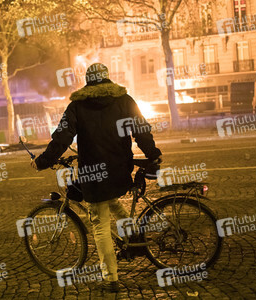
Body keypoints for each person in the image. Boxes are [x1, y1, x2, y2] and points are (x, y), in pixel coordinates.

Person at [31, 63, 162, 292]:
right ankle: (132, 238)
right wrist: (153, 154)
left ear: (88, 81)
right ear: (108, 79)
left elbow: (62, 139)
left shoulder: (77, 106)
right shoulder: (125, 100)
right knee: (112, 201)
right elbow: (141, 130)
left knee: (99, 224)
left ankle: (110, 277)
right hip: (120, 169)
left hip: (93, 174)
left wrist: (42, 161)